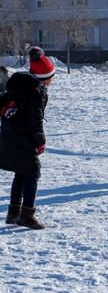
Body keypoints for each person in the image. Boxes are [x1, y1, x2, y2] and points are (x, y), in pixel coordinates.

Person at [0, 46, 55, 229]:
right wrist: (41, 142)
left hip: (9, 137)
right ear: (44, 79)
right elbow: (35, 122)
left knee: (21, 171)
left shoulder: (18, 86)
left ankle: (13, 213)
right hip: (24, 139)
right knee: (33, 172)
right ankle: (27, 215)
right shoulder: (37, 92)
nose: (52, 81)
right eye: (51, 78)